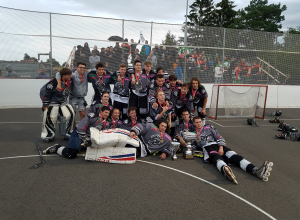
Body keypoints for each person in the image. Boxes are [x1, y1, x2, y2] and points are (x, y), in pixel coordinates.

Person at [191, 116, 274, 184]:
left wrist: (220, 147)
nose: (199, 124)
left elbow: (219, 137)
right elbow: (194, 144)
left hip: (217, 145)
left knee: (234, 156)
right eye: (197, 122)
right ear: (194, 123)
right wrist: (190, 148)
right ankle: (225, 169)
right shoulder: (193, 133)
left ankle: (255, 170)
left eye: (200, 122)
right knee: (215, 157)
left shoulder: (209, 127)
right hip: (207, 147)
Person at [43, 106, 111, 159]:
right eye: (105, 112)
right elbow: (81, 128)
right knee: (71, 154)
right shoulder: (93, 116)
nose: (107, 114)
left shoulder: (106, 121)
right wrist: (84, 140)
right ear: (101, 111)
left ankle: (81, 146)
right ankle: (57, 148)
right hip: (78, 134)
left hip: (89, 138)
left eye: (108, 113)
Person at [40, 68, 75, 141]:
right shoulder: (54, 82)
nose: (70, 76)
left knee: (70, 114)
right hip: (53, 103)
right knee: (51, 117)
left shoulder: (68, 80)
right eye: (68, 75)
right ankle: (49, 134)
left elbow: (59, 74)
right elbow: (45, 91)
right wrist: (45, 104)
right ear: (64, 75)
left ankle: (67, 132)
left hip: (63, 102)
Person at [56, 62, 88, 126]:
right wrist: (59, 84)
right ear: (77, 68)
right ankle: (73, 130)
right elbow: (58, 73)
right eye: (80, 67)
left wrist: (104, 72)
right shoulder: (73, 74)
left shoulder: (87, 74)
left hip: (82, 98)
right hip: (73, 98)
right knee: (73, 114)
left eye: (83, 68)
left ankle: (81, 129)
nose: (82, 69)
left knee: (83, 114)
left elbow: (95, 70)